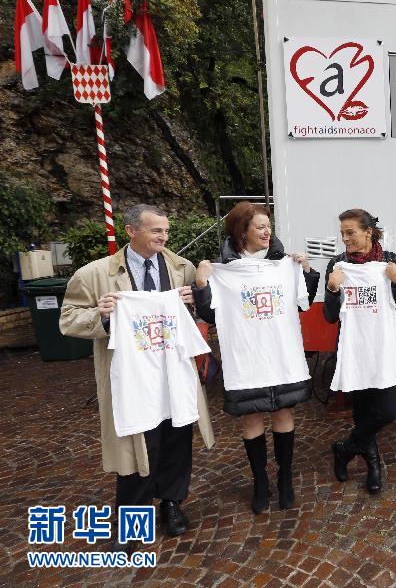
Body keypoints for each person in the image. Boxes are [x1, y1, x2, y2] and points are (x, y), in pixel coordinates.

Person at [59, 204, 214, 547]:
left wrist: (195, 297)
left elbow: (206, 310)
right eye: (156, 230)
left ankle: (172, 504)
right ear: (131, 231)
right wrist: (101, 317)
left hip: (173, 373)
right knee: (137, 444)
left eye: (166, 231)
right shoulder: (95, 274)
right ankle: (133, 520)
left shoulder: (180, 268)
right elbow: (68, 319)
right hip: (131, 377)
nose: (164, 236)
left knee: (177, 439)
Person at [192, 201, 320, 514]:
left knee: (283, 414)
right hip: (246, 358)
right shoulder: (223, 270)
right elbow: (209, 312)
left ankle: (285, 478)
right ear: (242, 231)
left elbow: (303, 303)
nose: (267, 232)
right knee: (250, 418)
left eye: (268, 226)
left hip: (281, 355)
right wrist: (201, 284)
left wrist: (306, 271)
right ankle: (260, 481)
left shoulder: (283, 264)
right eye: (260, 227)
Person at [325, 209, 396, 494]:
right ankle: (373, 465)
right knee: (362, 413)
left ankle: (345, 448)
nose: (345, 239)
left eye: (350, 233)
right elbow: (328, 316)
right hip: (355, 349)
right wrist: (333, 288)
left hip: (383, 348)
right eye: (342, 234)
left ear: (368, 233)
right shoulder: (338, 265)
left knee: (386, 412)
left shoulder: (390, 262)